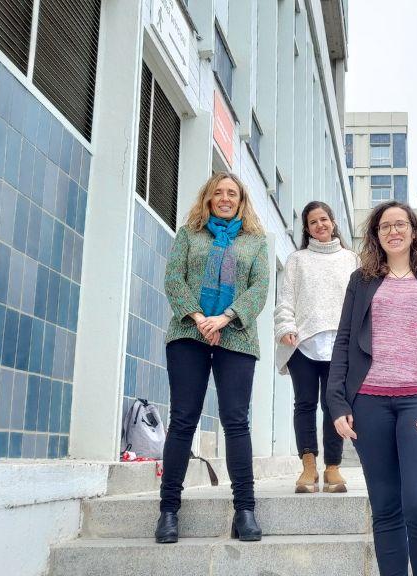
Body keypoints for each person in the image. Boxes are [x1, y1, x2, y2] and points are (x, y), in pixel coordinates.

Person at [327, 201, 417, 576]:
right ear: (376, 236)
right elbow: (344, 342)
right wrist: (337, 402)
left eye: (400, 224)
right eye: (384, 227)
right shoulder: (362, 280)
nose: (393, 231)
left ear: (414, 230)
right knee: (385, 508)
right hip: (370, 402)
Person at [155, 172, 269, 544]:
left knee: (236, 421)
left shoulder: (256, 241)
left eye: (231, 193)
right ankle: (168, 511)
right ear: (207, 198)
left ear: (240, 200)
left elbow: (259, 287)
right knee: (183, 420)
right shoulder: (190, 234)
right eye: (217, 192)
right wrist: (201, 318)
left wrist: (226, 317)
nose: (224, 198)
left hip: (236, 335)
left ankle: (245, 510)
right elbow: (174, 279)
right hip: (189, 332)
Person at [274, 201, 359, 493]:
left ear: (333, 222)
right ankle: (308, 466)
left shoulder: (351, 259)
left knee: (333, 405)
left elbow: (361, 302)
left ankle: (333, 468)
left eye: (324, 219)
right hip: (304, 344)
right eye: (313, 222)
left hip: (341, 345)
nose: (320, 225)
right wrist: (286, 327)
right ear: (307, 229)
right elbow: (285, 299)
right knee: (305, 404)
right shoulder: (297, 259)